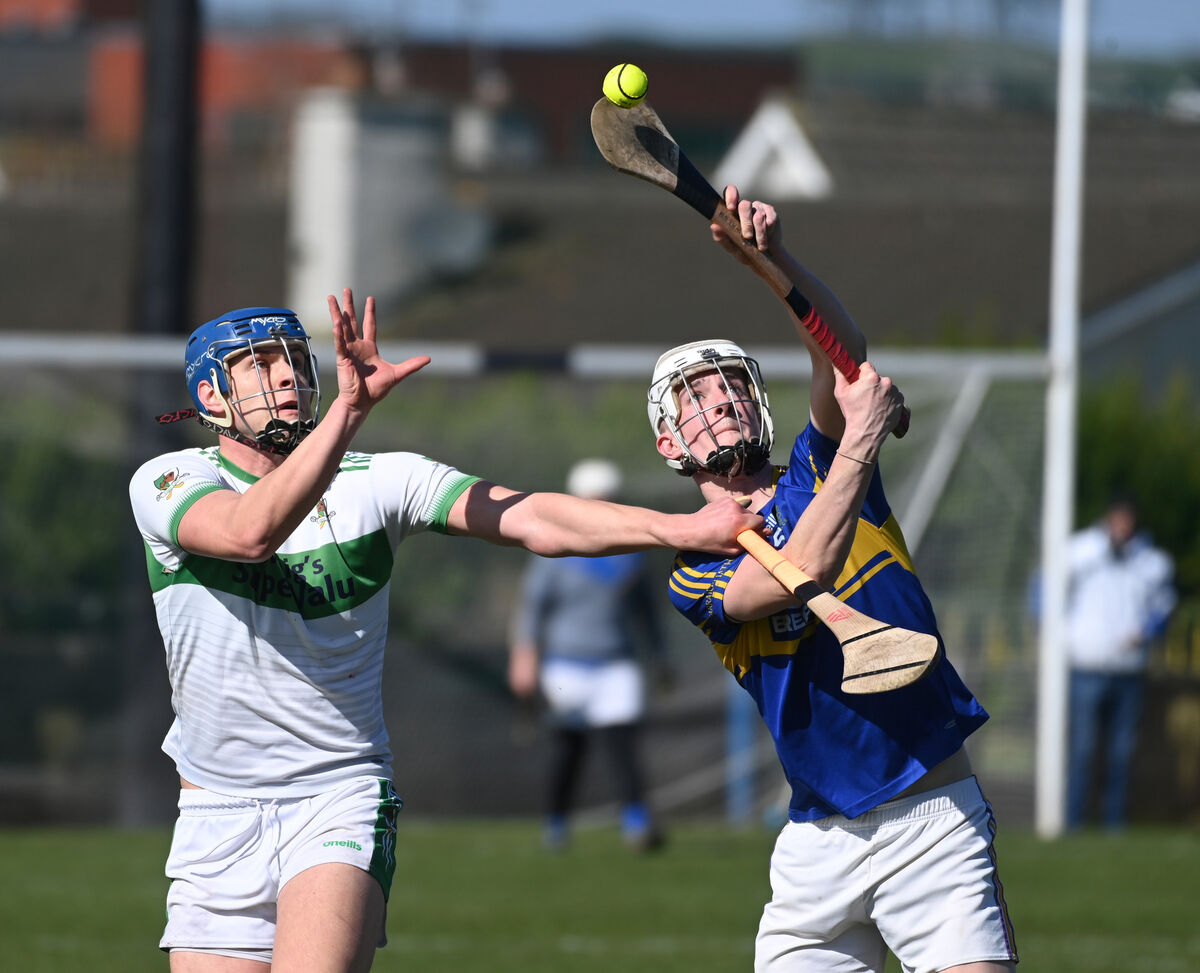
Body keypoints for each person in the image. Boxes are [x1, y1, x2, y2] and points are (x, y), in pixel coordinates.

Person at [128, 289, 761, 972]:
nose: (288, 375)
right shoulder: (168, 480)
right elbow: (250, 533)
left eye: (293, 361)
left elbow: (531, 517)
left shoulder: (379, 482)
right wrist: (348, 413)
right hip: (215, 810)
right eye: (260, 364)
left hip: (335, 798)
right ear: (210, 396)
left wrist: (681, 528)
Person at [646, 187, 1018, 973]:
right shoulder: (694, 567)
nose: (721, 404)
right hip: (818, 848)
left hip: (932, 817)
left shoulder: (815, 467)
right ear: (668, 441)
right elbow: (788, 577)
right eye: (698, 398)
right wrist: (864, 440)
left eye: (731, 386)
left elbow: (842, 358)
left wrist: (771, 262)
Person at [508, 458, 670, 853]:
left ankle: (637, 822)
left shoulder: (631, 550)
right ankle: (557, 825)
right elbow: (532, 608)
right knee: (569, 749)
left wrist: (660, 656)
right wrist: (524, 657)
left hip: (617, 663)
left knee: (622, 747)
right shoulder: (553, 549)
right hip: (567, 665)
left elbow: (646, 612)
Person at [1065, 494, 1175, 831]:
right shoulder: (1079, 551)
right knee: (1082, 750)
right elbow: (1046, 593)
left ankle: (1115, 825)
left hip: (1129, 671)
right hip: (1086, 668)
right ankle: (1072, 822)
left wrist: (1147, 632)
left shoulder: (1152, 562)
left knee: (1121, 753)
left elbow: (1165, 607)